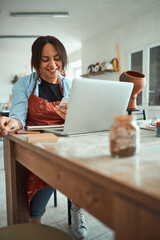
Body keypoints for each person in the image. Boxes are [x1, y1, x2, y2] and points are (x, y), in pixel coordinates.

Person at [0, 36, 87, 239]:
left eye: (57, 58)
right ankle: (34, 225)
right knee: (35, 205)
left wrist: (74, 117)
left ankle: (77, 208)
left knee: (81, 173)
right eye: (44, 59)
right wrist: (9, 123)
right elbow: (18, 117)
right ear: (36, 61)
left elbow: (81, 121)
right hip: (39, 147)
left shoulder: (72, 85)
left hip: (67, 144)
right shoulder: (24, 84)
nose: (52, 64)